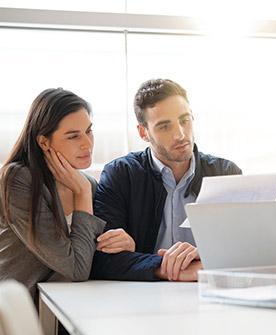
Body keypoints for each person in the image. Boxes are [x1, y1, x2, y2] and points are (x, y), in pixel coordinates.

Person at [91, 79, 241, 282]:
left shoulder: (225, 173)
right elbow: (103, 260)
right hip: (144, 296)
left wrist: (204, 264)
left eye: (185, 120)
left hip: (211, 291)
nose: (180, 134)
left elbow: (244, 250)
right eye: (164, 126)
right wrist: (167, 268)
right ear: (144, 132)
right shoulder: (121, 175)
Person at [0, 88, 132, 298]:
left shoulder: (86, 184)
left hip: (68, 307)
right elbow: (76, 268)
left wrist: (124, 244)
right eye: (73, 136)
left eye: (89, 131)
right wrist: (82, 194)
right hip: (19, 315)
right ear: (44, 142)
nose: (87, 144)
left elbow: (89, 255)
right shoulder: (18, 180)